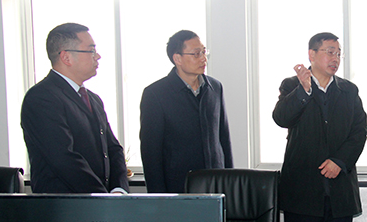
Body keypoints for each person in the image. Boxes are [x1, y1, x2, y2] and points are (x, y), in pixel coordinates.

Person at [273, 32, 367, 222]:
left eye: (338, 53)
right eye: (329, 52)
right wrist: (304, 90)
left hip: (339, 192)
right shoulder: (292, 85)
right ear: (312, 55)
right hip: (302, 192)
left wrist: (340, 161)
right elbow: (281, 118)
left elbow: (359, 131)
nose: (335, 58)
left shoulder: (348, 90)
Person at [20, 23, 129, 193]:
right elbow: (63, 158)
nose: (98, 56)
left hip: (99, 202)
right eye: (91, 50)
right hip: (64, 205)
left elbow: (113, 149)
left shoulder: (93, 99)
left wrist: (118, 189)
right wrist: (102, 198)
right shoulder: (42, 98)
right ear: (66, 57)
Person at [140, 30, 233, 193]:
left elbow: (223, 138)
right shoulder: (156, 94)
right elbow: (151, 154)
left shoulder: (215, 88)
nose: (203, 58)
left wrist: (230, 182)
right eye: (196, 54)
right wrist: (158, 198)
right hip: (178, 189)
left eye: (204, 52)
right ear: (177, 59)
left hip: (216, 185)